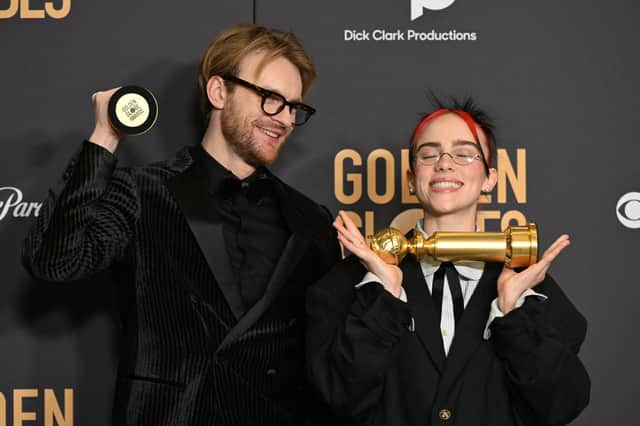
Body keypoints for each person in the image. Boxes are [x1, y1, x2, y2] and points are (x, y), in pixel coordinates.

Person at [22, 24, 341, 426]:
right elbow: (55, 261)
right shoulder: (143, 192)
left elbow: (330, 359)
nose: (284, 119)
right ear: (219, 92)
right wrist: (105, 137)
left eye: (294, 107)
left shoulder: (311, 221)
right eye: (270, 98)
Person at [306, 97, 590, 426]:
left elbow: (562, 405)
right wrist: (384, 297)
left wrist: (511, 315)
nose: (444, 163)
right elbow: (337, 397)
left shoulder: (530, 288)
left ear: (490, 178)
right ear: (412, 179)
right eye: (429, 153)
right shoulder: (351, 283)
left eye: (464, 153)